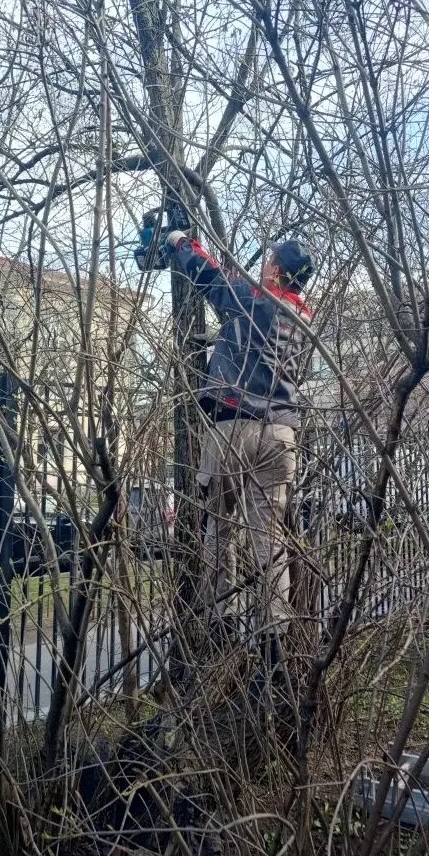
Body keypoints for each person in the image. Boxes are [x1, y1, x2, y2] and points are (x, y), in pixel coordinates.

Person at [162, 229, 315, 645]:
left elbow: (211, 278)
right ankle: (273, 639)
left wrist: (180, 242)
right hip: (281, 434)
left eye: (270, 260)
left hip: (235, 427)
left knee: (219, 527)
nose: (264, 265)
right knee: (269, 538)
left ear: (277, 270)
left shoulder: (255, 299)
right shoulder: (303, 319)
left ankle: (221, 623)